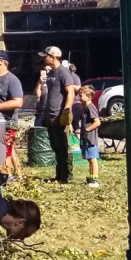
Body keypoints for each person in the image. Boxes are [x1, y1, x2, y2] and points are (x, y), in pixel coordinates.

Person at [41, 46, 77, 184]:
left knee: (63, 146)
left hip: (59, 115)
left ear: (53, 57)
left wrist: (66, 110)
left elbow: (70, 91)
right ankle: (59, 175)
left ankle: (67, 176)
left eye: (46, 56)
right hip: (50, 115)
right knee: (55, 146)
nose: (44, 58)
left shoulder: (63, 72)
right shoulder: (51, 73)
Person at [0, 51, 24, 177]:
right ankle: (17, 175)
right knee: (0, 149)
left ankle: (6, 176)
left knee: (5, 151)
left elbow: (18, 102)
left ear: (1, 61)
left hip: (7, 122)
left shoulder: (12, 80)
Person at [76, 85, 101, 186]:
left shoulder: (91, 107)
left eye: (81, 96)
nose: (79, 97)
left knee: (92, 158)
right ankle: (91, 178)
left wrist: (86, 130)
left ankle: (95, 179)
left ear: (89, 97)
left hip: (91, 138)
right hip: (85, 138)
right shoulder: (85, 108)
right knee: (89, 158)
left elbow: (97, 122)